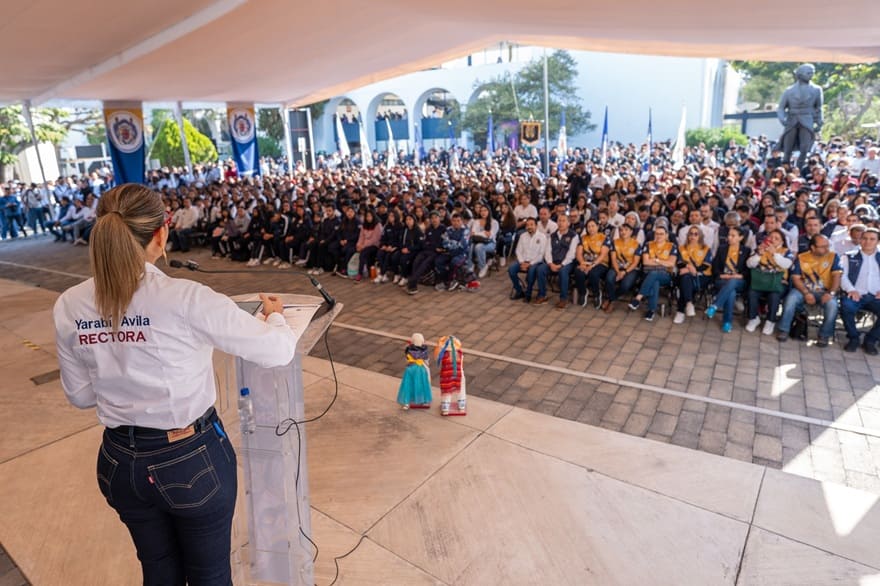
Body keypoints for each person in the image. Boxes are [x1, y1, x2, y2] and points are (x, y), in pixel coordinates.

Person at [53, 184, 298, 585]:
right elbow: (277, 350)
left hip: (119, 462)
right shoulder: (185, 298)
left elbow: (80, 396)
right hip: (189, 458)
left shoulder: (69, 304)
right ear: (160, 234)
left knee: (158, 570)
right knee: (209, 576)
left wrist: (121, 378)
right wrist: (275, 317)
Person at [777, 234, 842, 346]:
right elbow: (795, 278)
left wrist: (831, 293)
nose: (827, 249)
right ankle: (784, 329)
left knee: (833, 305)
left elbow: (837, 277)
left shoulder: (833, 257)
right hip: (804, 289)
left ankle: (824, 335)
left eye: (828, 246)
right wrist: (806, 293)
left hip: (825, 291)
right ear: (813, 247)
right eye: (823, 247)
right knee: (791, 299)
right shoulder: (802, 257)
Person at [744, 229, 793, 336]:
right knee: (752, 292)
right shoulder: (760, 248)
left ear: (782, 241)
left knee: (774, 295)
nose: (772, 240)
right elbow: (749, 264)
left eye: (776, 238)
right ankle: (753, 318)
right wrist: (758, 255)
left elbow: (787, 264)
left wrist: (774, 254)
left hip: (778, 282)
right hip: (760, 280)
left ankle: (770, 321)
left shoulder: (786, 251)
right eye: (771, 237)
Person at [840, 227, 880, 354]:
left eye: (872, 239)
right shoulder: (849, 256)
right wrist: (851, 290)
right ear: (860, 239)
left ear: (878, 241)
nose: (868, 242)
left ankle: (871, 340)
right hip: (856, 294)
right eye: (865, 238)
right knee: (846, 307)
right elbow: (842, 276)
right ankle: (854, 338)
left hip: (876, 296)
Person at [628, 225, 679, 321]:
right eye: (657, 234)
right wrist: (663, 263)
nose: (659, 236)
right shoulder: (648, 244)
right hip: (648, 273)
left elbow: (671, 263)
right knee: (655, 281)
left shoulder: (672, 246)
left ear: (666, 235)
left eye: (661, 234)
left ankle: (638, 298)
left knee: (654, 274)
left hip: (665, 275)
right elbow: (645, 262)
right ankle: (651, 311)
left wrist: (656, 260)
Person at [705, 226, 751, 333]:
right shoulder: (722, 248)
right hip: (722, 279)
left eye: (733, 236)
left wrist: (740, 276)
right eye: (729, 235)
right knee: (731, 292)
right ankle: (727, 322)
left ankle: (715, 306)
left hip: (739, 281)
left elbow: (747, 270)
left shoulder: (746, 251)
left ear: (741, 238)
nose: (729, 237)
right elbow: (715, 267)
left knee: (733, 282)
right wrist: (722, 275)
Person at [537, 213, 578, 308]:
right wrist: (550, 263)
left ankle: (563, 299)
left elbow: (571, 254)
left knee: (563, 272)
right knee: (540, 269)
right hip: (553, 262)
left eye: (563, 221)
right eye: (559, 220)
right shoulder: (553, 235)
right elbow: (547, 251)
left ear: (568, 223)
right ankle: (542, 295)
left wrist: (561, 265)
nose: (561, 223)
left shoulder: (573, 236)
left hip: (567, 263)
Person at [673, 226, 712, 324]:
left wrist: (692, 270)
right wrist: (688, 267)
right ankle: (689, 303)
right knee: (685, 278)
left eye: (696, 234)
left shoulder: (706, 249)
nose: (693, 236)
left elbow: (706, 265)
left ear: (700, 236)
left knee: (685, 281)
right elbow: (679, 263)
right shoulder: (682, 248)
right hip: (685, 274)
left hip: (701, 276)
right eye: (691, 234)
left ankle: (681, 311)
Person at [508, 217, 547, 303]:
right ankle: (519, 291)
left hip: (535, 262)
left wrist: (530, 264)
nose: (529, 227)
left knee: (531, 271)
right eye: (527, 225)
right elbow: (518, 251)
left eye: (531, 225)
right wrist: (522, 262)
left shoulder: (542, 237)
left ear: (536, 226)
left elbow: (541, 255)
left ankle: (528, 294)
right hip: (523, 261)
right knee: (511, 269)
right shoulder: (523, 236)